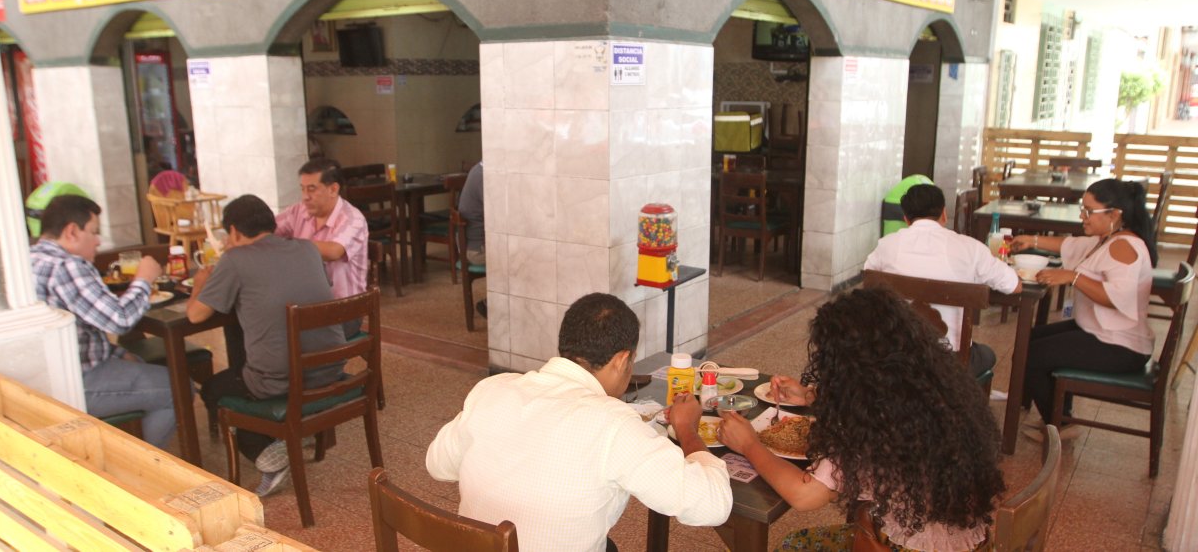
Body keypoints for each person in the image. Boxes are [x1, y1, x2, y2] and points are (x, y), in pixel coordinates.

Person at [426, 293, 732, 552]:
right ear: (622, 361)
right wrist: (688, 431)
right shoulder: (614, 424)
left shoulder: (493, 388)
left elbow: (438, 465)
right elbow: (713, 505)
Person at [718, 287, 1005, 552]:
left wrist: (749, 444)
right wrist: (810, 397)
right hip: (969, 541)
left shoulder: (868, 429)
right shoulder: (931, 392)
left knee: (795, 545)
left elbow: (804, 495)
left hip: (904, 546)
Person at [187, 194, 347, 497]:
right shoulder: (306, 249)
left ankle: (269, 454)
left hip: (281, 380)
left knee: (213, 389)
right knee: (250, 355)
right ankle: (288, 433)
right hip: (330, 367)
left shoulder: (234, 260)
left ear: (233, 232)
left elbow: (196, 315)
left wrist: (200, 284)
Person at [1009, 178, 1156, 441]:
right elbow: (1071, 245)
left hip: (1121, 345)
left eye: (1089, 211)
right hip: (1102, 331)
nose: (1083, 216)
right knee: (1029, 339)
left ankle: (1060, 426)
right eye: (1083, 209)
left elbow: (1116, 297)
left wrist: (1073, 278)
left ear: (1114, 214)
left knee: (1030, 353)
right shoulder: (1108, 238)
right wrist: (1031, 240)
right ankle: (1059, 415)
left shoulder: (1125, 246)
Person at [29, 195, 178, 448]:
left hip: (42, 378)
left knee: (140, 365)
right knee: (176, 387)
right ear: (72, 231)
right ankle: (140, 471)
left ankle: (123, 448)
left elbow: (80, 330)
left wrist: (117, 351)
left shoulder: (31, 257)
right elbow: (119, 320)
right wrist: (144, 279)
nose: (98, 241)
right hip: (75, 381)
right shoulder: (67, 265)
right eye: (94, 232)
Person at [864, 183, 1021, 380]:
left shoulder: (886, 246)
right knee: (987, 355)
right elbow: (1013, 285)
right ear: (944, 214)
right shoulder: (970, 248)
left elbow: (868, 282)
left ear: (906, 218)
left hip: (898, 353)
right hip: (953, 359)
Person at [274, 158, 367, 335]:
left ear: (333, 189)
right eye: (302, 189)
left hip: (343, 312)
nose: (305, 197)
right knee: (251, 319)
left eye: (312, 189)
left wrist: (286, 246)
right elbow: (266, 231)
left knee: (277, 334)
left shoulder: (352, 219)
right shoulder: (298, 211)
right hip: (304, 305)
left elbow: (333, 251)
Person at [457, 161, 486, 317]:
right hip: (477, 250)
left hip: (473, 244)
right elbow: (500, 213)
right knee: (522, 259)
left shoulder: (477, 170)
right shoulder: (483, 178)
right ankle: (492, 303)